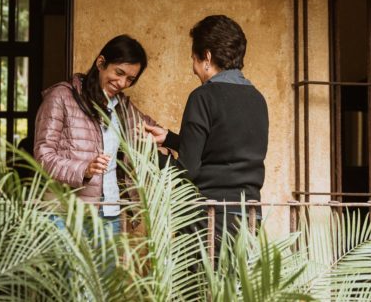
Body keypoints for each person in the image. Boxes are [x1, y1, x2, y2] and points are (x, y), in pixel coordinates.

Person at [145, 14, 269, 242]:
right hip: (249, 217)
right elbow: (224, 147)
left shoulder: (203, 97)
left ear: (207, 57)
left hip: (210, 218)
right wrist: (170, 139)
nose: (193, 69)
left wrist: (144, 153)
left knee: (200, 280)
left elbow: (186, 170)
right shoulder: (257, 98)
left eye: (193, 58)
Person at [34, 34, 158, 236]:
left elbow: (155, 132)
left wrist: (169, 143)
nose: (122, 83)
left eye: (130, 79)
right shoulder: (61, 97)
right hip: (66, 212)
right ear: (101, 63)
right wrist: (84, 169)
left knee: (107, 269)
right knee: (68, 269)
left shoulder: (122, 107)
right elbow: (43, 156)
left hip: (110, 212)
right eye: (119, 72)